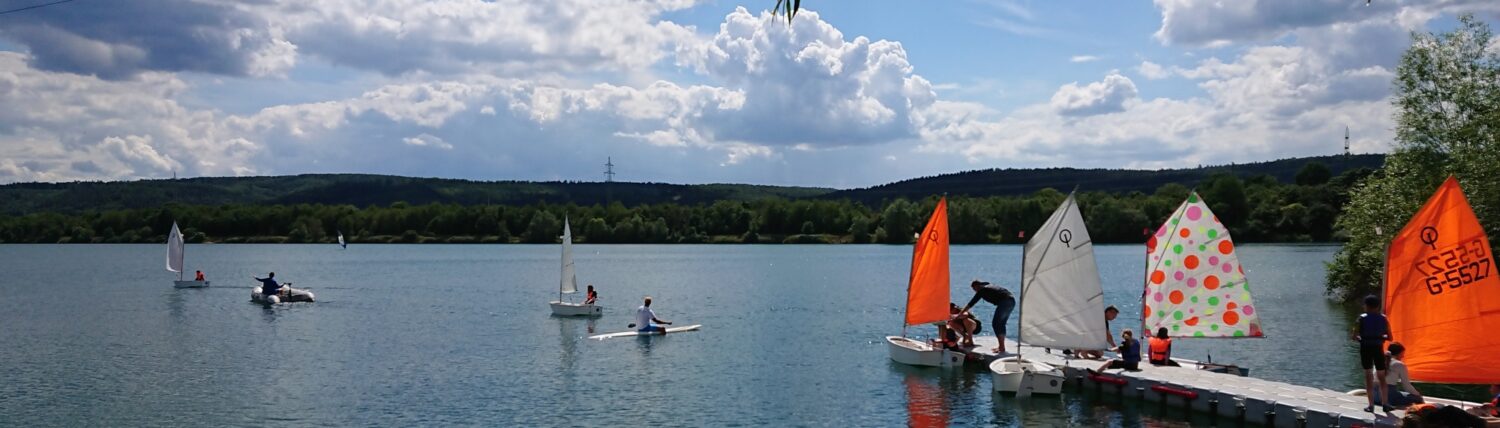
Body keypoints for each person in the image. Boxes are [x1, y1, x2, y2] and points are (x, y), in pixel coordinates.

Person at [1352, 294, 1393, 413]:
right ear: (1378, 306)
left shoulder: (1361, 318)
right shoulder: (1384, 318)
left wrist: (1362, 338)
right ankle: (1385, 404)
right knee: (1381, 377)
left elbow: (1354, 336)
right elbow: (1390, 337)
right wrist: (1380, 337)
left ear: (1366, 306)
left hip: (1365, 349)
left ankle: (1371, 405)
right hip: (1378, 349)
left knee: (1368, 376)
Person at [961, 279, 1015, 353]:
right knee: (1001, 324)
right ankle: (1002, 347)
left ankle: (1002, 347)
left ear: (976, 286)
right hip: (1011, 301)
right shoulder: (988, 286)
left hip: (1005, 302)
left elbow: (971, 303)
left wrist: (960, 314)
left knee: (996, 323)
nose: (975, 291)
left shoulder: (982, 290)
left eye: (974, 289)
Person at [1383, 342, 1424, 407]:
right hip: (1388, 398)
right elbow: (1406, 386)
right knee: (1417, 398)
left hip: (1375, 397)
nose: (1403, 356)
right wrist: (1418, 395)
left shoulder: (1380, 361)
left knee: (1401, 393)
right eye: (1402, 354)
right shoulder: (1399, 364)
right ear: (1398, 353)